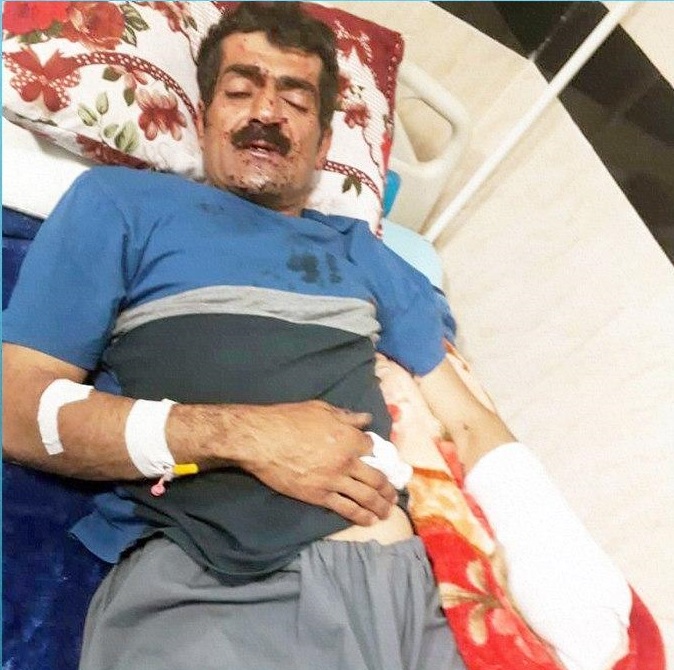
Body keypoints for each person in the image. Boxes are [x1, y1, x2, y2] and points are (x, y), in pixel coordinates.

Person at [2, 4, 628, 670]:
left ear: (325, 144)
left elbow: (469, 419)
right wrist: (245, 436)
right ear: (205, 118)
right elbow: (18, 409)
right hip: (223, 589)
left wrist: (562, 575)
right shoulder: (120, 205)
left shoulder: (366, 254)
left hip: (415, 599)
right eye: (240, 90)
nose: (267, 112)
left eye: (296, 100)